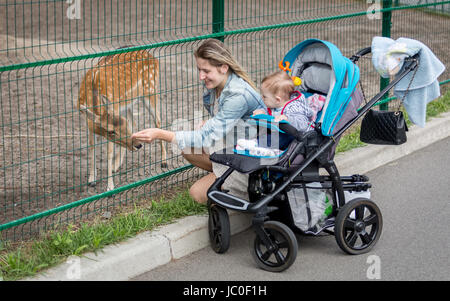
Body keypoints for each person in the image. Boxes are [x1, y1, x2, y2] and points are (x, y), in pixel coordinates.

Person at [131, 38, 265, 204]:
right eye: (199, 69)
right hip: (235, 146)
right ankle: (221, 175)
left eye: (206, 71)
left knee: (197, 194)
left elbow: (207, 136)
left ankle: (246, 190)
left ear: (224, 67)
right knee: (188, 148)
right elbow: (223, 122)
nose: (201, 76)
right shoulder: (217, 84)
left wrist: (159, 133)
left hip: (252, 160)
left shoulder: (237, 94)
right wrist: (212, 122)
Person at [236, 70, 325, 155]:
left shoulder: (294, 107)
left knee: (281, 136)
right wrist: (263, 112)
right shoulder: (275, 105)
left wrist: (288, 119)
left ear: (277, 99)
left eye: (264, 96)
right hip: (280, 132)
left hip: (301, 137)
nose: (261, 98)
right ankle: (257, 144)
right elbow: (271, 112)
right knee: (264, 130)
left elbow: (303, 124)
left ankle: (258, 145)